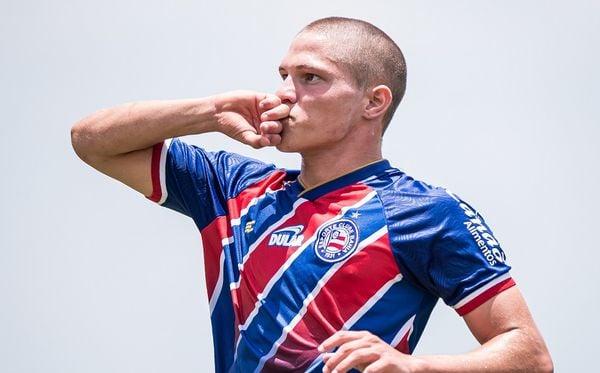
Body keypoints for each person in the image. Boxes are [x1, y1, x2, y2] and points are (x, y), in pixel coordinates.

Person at [71, 16, 552, 373]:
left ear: (373, 102)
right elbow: (91, 140)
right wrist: (212, 111)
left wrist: (414, 367)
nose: (283, 93)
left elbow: (528, 353)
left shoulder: (425, 212)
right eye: (283, 75)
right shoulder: (233, 189)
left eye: (311, 78)